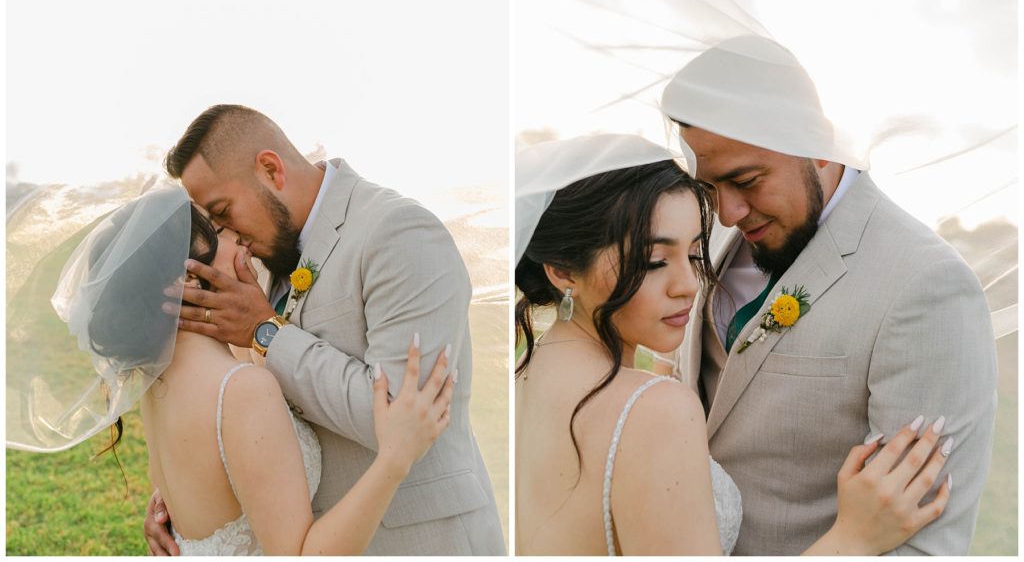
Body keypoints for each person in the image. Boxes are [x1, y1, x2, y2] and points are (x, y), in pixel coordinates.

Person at [515, 133, 953, 556]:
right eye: (654, 261)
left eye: (693, 254)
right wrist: (852, 540)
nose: (688, 286)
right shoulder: (653, 409)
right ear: (562, 270)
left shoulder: (525, 376)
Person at [659, 35, 997, 555]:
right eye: (710, 187)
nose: (727, 213)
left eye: (746, 180)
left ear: (816, 145)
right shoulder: (724, 234)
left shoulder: (925, 285)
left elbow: (922, 544)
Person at [145, 104, 504, 556]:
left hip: (417, 539)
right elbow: (227, 411)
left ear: (270, 169)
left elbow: (396, 415)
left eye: (223, 212)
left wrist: (264, 330)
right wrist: (187, 503)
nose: (224, 235)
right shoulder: (261, 251)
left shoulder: (399, 231)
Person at [52, 185, 453, 555]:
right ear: (188, 277)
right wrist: (394, 459)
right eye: (216, 231)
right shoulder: (242, 389)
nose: (236, 236)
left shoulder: (159, 381)